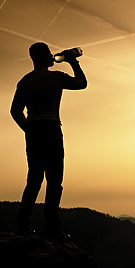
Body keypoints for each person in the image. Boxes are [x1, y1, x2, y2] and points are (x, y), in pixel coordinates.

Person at [11, 42, 87, 239]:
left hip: (34, 130)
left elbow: (14, 111)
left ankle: (23, 225)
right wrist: (72, 62)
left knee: (34, 179)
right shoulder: (55, 77)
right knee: (54, 181)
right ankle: (52, 227)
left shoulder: (25, 81)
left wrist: (27, 128)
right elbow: (81, 83)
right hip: (51, 128)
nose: (53, 55)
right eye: (49, 53)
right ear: (44, 56)